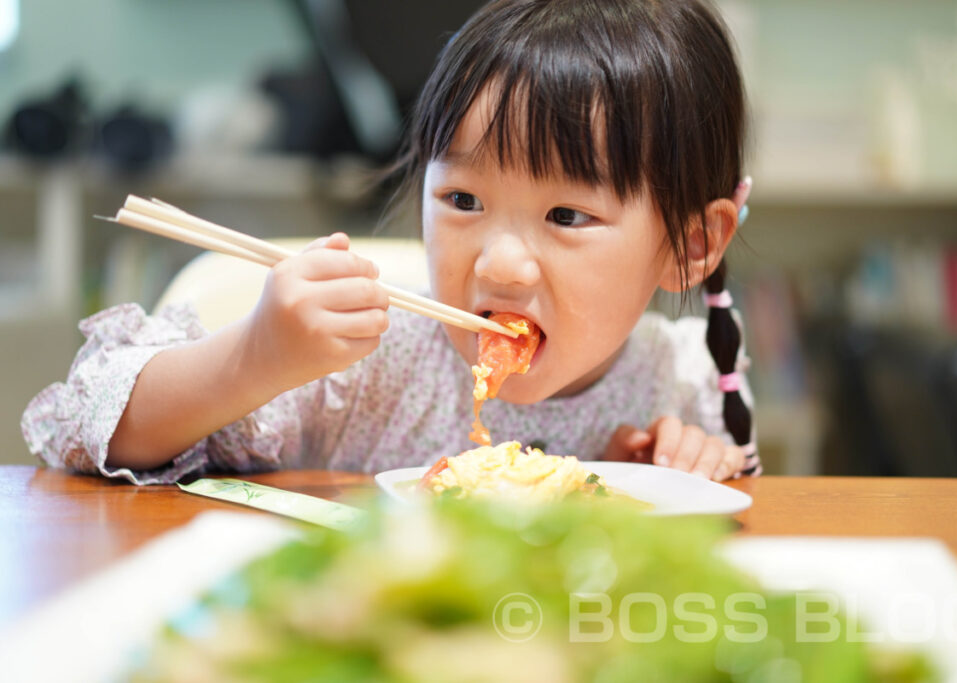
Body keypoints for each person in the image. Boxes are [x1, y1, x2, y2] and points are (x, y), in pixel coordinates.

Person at [22, 0, 761, 485]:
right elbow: (82, 424)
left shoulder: (684, 383)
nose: (499, 263)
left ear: (691, 243)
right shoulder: (362, 363)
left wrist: (676, 470)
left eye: (567, 215)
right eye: (463, 200)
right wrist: (255, 358)